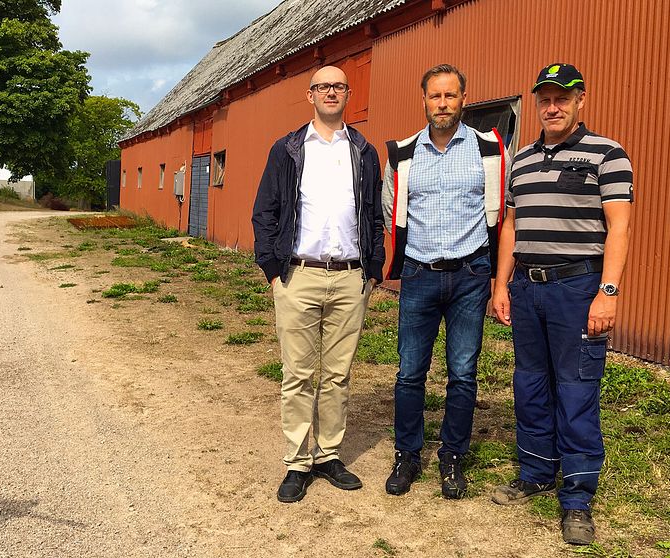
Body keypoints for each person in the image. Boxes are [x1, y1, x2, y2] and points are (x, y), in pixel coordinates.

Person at [490, 63, 633, 546]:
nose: (553, 107)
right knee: (530, 383)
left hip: (577, 289)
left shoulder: (607, 154)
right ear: (537, 103)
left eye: (563, 99)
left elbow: (619, 227)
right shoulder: (523, 159)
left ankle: (577, 497)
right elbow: (511, 226)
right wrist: (501, 284)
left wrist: (607, 292)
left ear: (580, 101)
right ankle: (535, 472)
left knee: (575, 390)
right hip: (528, 289)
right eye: (545, 99)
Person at [252, 65, 385, 503]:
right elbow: (265, 211)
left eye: (339, 86)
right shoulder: (287, 149)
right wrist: (273, 270)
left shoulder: (363, 151)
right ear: (310, 95)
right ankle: (297, 462)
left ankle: (328, 455)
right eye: (323, 86)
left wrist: (374, 268)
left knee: (338, 374)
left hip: (350, 277)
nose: (331, 92)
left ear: (348, 94)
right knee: (298, 374)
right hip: (299, 275)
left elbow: (374, 214)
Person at [381, 64, 507, 498]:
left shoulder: (489, 151)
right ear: (424, 101)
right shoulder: (403, 153)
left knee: (464, 372)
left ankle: (452, 456)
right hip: (419, 274)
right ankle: (407, 455)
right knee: (410, 373)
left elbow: (502, 212)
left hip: (471, 275)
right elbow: (389, 210)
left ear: (464, 99)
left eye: (451, 96)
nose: (443, 104)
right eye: (435, 96)